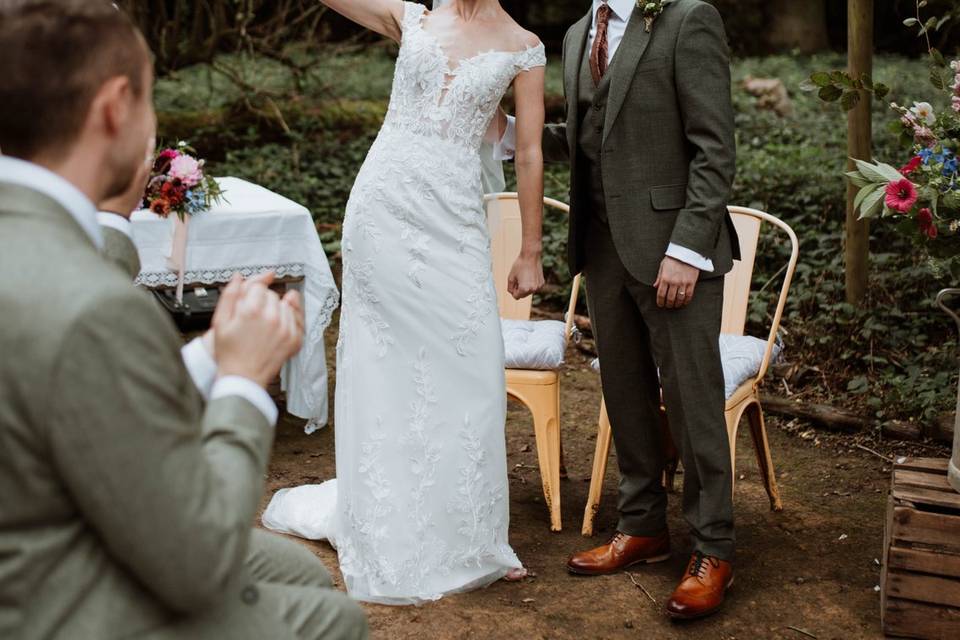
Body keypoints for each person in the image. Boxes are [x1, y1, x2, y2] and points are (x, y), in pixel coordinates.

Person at [0, 2, 368, 638]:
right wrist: (243, 382)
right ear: (115, 108)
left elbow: (67, 386)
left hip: (37, 515)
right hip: (46, 600)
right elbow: (198, 564)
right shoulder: (94, 304)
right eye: (150, 100)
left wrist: (206, 353)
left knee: (298, 573)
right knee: (328, 617)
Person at [262, 0, 546, 605]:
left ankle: (471, 538)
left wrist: (530, 249)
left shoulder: (525, 47)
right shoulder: (410, 14)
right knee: (382, 364)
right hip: (382, 206)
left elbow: (528, 152)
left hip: (454, 219)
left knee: (468, 364)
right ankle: (383, 519)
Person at [497, 0, 740, 620]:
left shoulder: (689, 19)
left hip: (674, 248)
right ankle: (643, 527)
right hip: (602, 246)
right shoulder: (581, 31)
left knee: (691, 398)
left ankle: (713, 547)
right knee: (624, 391)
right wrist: (509, 132)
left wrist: (688, 248)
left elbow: (714, 147)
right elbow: (588, 136)